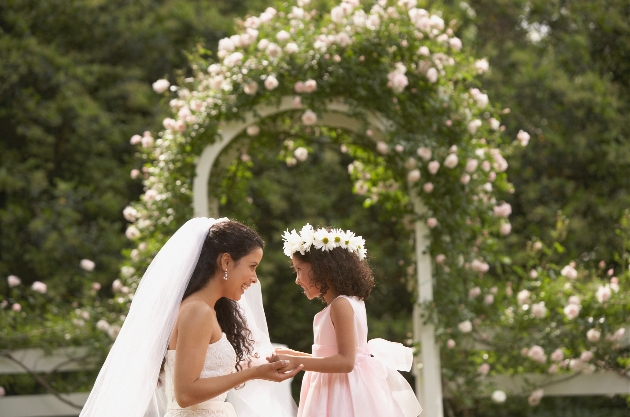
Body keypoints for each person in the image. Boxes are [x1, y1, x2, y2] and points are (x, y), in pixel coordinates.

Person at [80, 218, 301, 417]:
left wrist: (262, 364)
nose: (254, 279)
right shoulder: (197, 311)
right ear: (225, 262)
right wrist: (254, 373)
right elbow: (186, 393)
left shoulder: (205, 309)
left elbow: (208, 371)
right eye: (252, 267)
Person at [271, 224, 423, 417]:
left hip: (340, 394)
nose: (297, 279)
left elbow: (346, 362)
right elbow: (335, 354)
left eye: (299, 269)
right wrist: (293, 355)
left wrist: (296, 362)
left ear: (321, 268)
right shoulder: (348, 303)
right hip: (337, 386)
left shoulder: (340, 305)